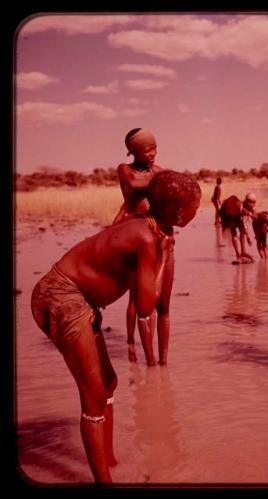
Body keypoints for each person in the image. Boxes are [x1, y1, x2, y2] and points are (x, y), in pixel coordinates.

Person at [31, 170, 201, 483]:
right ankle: (104, 483)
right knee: (93, 395)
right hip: (61, 296)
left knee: (108, 383)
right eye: (195, 206)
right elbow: (146, 307)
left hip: (79, 300)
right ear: (179, 213)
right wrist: (163, 255)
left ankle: (110, 462)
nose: (196, 211)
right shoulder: (146, 237)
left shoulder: (147, 225)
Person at [112, 128, 164, 363]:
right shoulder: (125, 169)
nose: (153, 153)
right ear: (133, 151)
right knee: (135, 295)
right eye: (147, 149)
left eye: (155, 147)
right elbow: (133, 185)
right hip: (134, 234)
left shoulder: (160, 171)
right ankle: (131, 341)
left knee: (153, 293)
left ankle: (146, 346)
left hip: (155, 234)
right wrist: (161, 179)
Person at [219, 192, 257, 263]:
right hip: (230, 215)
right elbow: (244, 223)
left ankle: (243, 252)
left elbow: (251, 220)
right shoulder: (241, 207)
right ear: (246, 201)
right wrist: (248, 237)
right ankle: (238, 254)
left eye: (254, 203)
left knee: (242, 233)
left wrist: (252, 214)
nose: (252, 204)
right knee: (234, 234)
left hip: (237, 216)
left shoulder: (250, 208)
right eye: (251, 202)